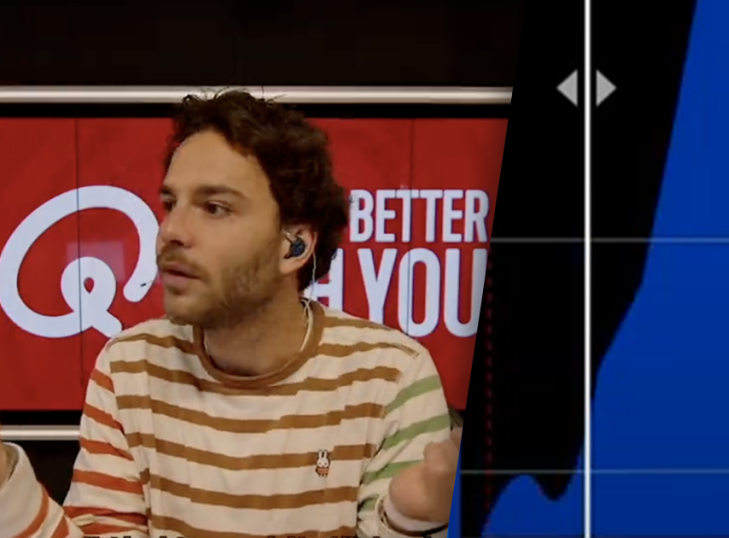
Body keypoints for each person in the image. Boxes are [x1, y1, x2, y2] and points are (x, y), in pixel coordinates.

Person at [0, 90, 460, 538]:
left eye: (214, 208)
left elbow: (408, 518)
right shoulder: (128, 368)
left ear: (294, 245)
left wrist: (408, 521)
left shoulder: (393, 377)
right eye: (170, 204)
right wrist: (6, 489)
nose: (170, 230)